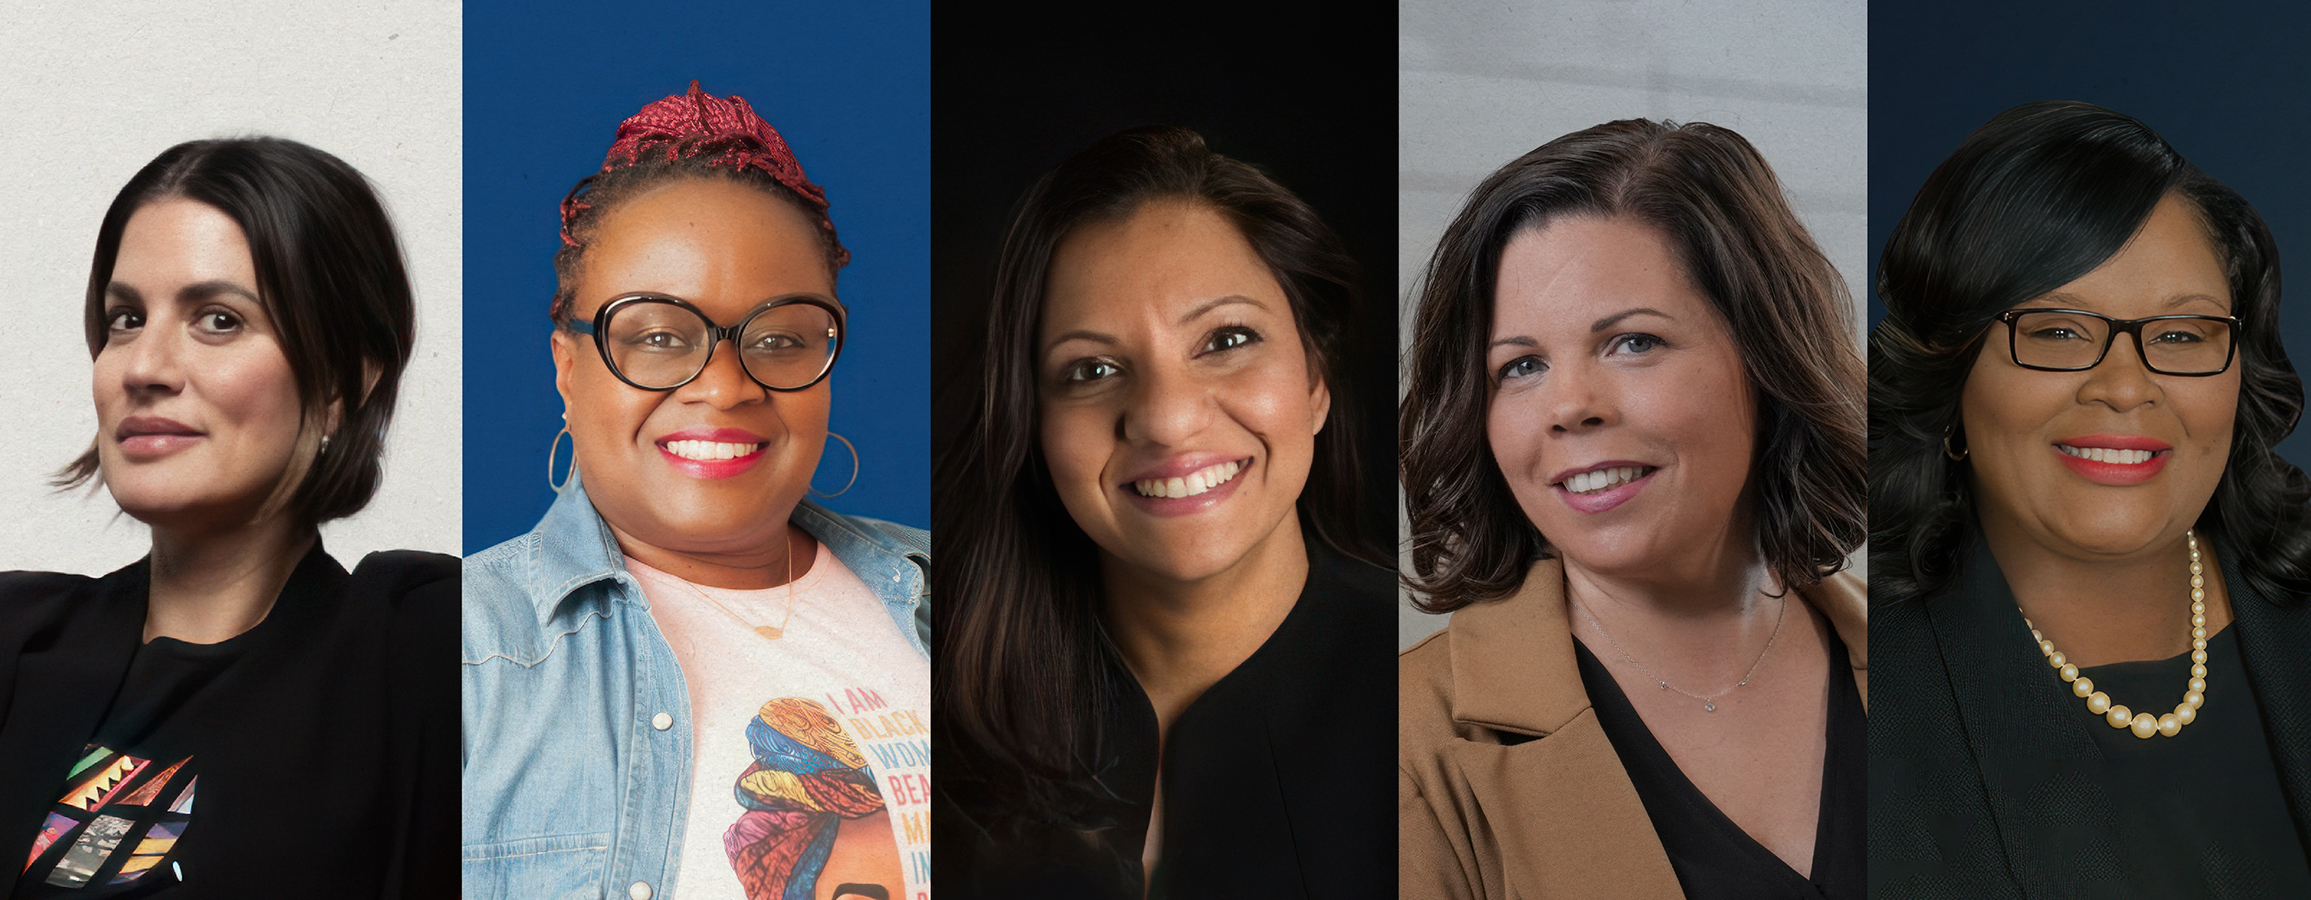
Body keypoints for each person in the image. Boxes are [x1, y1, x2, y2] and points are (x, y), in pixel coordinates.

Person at [459, 83, 930, 900]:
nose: (722, 386)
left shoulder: (960, 594)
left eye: (778, 339)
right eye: (657, 337)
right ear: (567, 369)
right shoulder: (460, 652)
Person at [1397, 118, 1869, 899]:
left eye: (1631, 343)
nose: (1569, 406)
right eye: (1520, 366)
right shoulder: (1407, 748)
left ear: (1764, 356)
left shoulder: (1943, 677)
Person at [932, 126, 1394, 899]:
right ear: (1030, 420)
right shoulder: (913, 703)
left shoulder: (1441, 701)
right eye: (1091, 369)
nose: (1166, 419)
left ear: (1317, 377)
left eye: (1227, 339)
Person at [1868, 101, 2311, 897]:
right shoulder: (1851, 681)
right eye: (2057, 332)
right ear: (1949, 370)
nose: (2124, 388)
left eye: (2180, 335)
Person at [0, 137, 455, 896]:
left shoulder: (415, 650)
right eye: (124, 319)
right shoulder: (17, 637)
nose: (144, 368)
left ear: (342, 379)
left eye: (217, 319)